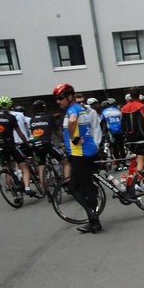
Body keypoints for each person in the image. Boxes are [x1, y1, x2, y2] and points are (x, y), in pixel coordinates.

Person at [54, 83, 101, 233]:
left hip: (80, 154)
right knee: (75, 186)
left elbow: (73, 121)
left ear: (69, 97)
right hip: (84, 152)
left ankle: (94, 220)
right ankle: (92, 217)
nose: (58, 101)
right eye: (56, 99)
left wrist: (74, 139)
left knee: (84, 188)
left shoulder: (73, 110)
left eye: (60, 98)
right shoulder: (81, 109)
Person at [0, 95, 35, 201]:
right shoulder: (11, 117)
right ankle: (27, 188)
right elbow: (20, 133)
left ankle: (14, 196)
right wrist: (27, 144)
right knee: (24, 166)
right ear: (10, 105)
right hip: (10, 144)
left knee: (7, 169)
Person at [29, 99, 65, 197]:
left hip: (36, 146)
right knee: (65, 162)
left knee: (41, 168)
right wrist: (64, 140)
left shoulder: (32, 120)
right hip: (47, 145)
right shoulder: (49, 117)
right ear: (44, 108)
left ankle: (48, 193)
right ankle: (67, 181)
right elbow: (58, 132)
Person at [120, 86, 144, 172]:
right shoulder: (141, 106)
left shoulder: (123, 108)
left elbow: (122, 124)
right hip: (140, 137)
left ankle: (143, 183)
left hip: (129, 137)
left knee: (138, 159)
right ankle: (137, 183)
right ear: (139, 94)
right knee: (141, 160)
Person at [101, 98, 126, 169]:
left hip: (111, 132)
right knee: (121, 147)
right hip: (120, 131)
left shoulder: (104, 111)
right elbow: (122, 120)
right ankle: (124, 164)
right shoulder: (118, 110)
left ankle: (118, 165)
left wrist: (104, 132)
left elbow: (102, 122)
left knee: (114, 148)